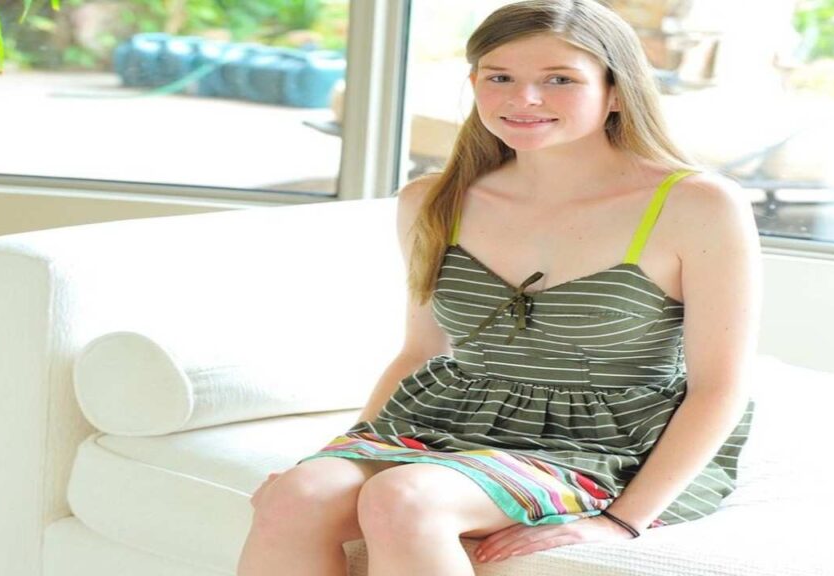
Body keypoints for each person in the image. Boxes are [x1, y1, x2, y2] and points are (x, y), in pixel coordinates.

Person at [237, 0, 761, 574]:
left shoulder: (697, 204)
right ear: (474, 84)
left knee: (404, 500)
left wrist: (619, 521)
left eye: (559, 80)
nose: (524, 99)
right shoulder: (434, 200)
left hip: (603, 444)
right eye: (500, 78)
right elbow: (420, 352)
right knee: (297, 495)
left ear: (616, 90)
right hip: (445, 422)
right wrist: (343, 449)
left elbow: (720, 388)